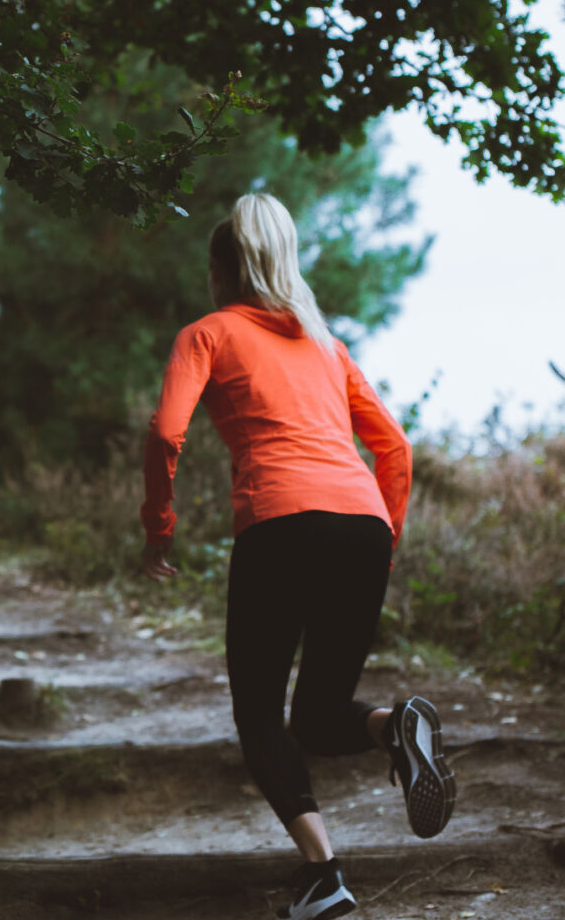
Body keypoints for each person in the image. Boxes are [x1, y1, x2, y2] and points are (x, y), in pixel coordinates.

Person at [139, 193, 454, 920]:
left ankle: (325, 876)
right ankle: (395, 724)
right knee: (317, 715)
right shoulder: (326, 345)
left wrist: (160, 526)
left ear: (222, 270)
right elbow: (395, 449)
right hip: (362, 525)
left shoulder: (207, 333)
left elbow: (164, 434)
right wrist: (384, 544)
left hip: (281, 525)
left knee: (258, 713)